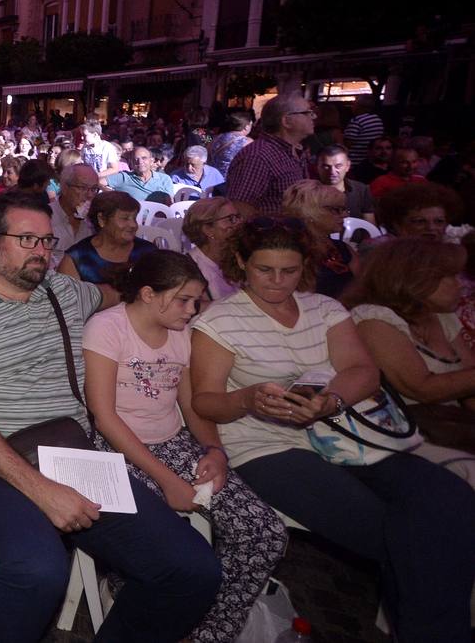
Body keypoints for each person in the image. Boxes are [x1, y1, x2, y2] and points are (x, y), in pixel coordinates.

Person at [0, 190, 218, 641]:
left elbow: (114, 294)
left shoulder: (63, 291)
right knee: (38, 570)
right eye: (26, 240)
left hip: (69, 448)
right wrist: (43, 491)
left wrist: (157, 298)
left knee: (192, 570)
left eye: (47, 242)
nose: (41, 253)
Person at [189, 218, 475, 641]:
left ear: (304, 265)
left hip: (345, 435)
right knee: (402, 535)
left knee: (450, 499)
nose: (277, 281)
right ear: (240, 262)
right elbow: (205, 400)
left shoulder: (325, 309)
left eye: (288, 270)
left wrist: (331, 400)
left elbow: (363, 371)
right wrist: (248, 399)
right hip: (264, 445)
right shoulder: (221, 321)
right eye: (264, 270)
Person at [83, 250, 286, 643]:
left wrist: (214, 451)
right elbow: (105, 418)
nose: (193, 309)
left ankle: (208, 632)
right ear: (146, 293)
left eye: (197, 300)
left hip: (174, 442)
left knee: (263, 531)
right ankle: (142, 605)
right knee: (159, 549)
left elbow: (191, 406)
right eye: (183, 299)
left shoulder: (182, 335)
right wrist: (167, 479)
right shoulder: (108, 328)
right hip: (116, 447)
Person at [344, 238, 475, 483]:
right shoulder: (374, 319)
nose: (461, 285)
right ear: (417, 278)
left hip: (450, 426)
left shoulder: (441, 316)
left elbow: (469, 384)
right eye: (452, 277)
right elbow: (421, 388)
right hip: (405, 433)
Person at [225, 95, 315, 215]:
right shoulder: (258, 154)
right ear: (286, 121)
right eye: (307, 113)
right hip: (272, 232)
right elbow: (240, 207)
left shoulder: (296, 151)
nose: (314, 117)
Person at [59, 191, 157, 287]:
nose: (133, 225)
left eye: (134, 218)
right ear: (101, 219)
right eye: (125, 218)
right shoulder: (77, 258)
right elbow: (67, 300)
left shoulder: (147, 252)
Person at [281, 180, 356, 299]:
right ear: (310, 212)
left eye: (344, 209)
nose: (345, 215)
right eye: (336, 210)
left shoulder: (342, 248)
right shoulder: (293, 252)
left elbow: (365, 288)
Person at [182, 196, 241, 301]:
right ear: (208, 229)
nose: (238, 223)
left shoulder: (239, 257)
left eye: (238, 217)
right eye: (230, 219)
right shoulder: (189, 270)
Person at [376, 181, 462, 242]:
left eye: (439, 221)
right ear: (397, 225)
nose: (431, 228)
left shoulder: (451, 252)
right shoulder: (379, 251)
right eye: (420, 221)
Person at [316, 145, 376, 223]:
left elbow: (370, 226)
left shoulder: (361, 189)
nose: (332, 172)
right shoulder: (308, 193)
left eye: (338, 166)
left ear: (348, 166)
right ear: (317, 167)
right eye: (326, 166)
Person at [107, 146, 176, 203]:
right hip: (131, 217)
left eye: (144, 158)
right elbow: (100, 182)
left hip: (158, 217)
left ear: (151, 161)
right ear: (131, 162)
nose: (140, 162)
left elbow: (169, 203)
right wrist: (115, 196)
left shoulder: (164, 179)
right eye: (135, 159)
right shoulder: (124, 177)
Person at [208, 111, 253, 176]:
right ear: (246, 127)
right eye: (251, 124)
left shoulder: (217, 137)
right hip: (231, 180)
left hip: (213, 178)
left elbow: (208, 154)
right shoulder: (247, 142)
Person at [343, 96, 385, 162]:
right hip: (371, 159)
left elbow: (348, 144)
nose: (352, 107)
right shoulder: (377, 119)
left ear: (360, 107)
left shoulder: (357, 121)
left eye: (354, 104)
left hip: (355, 161)